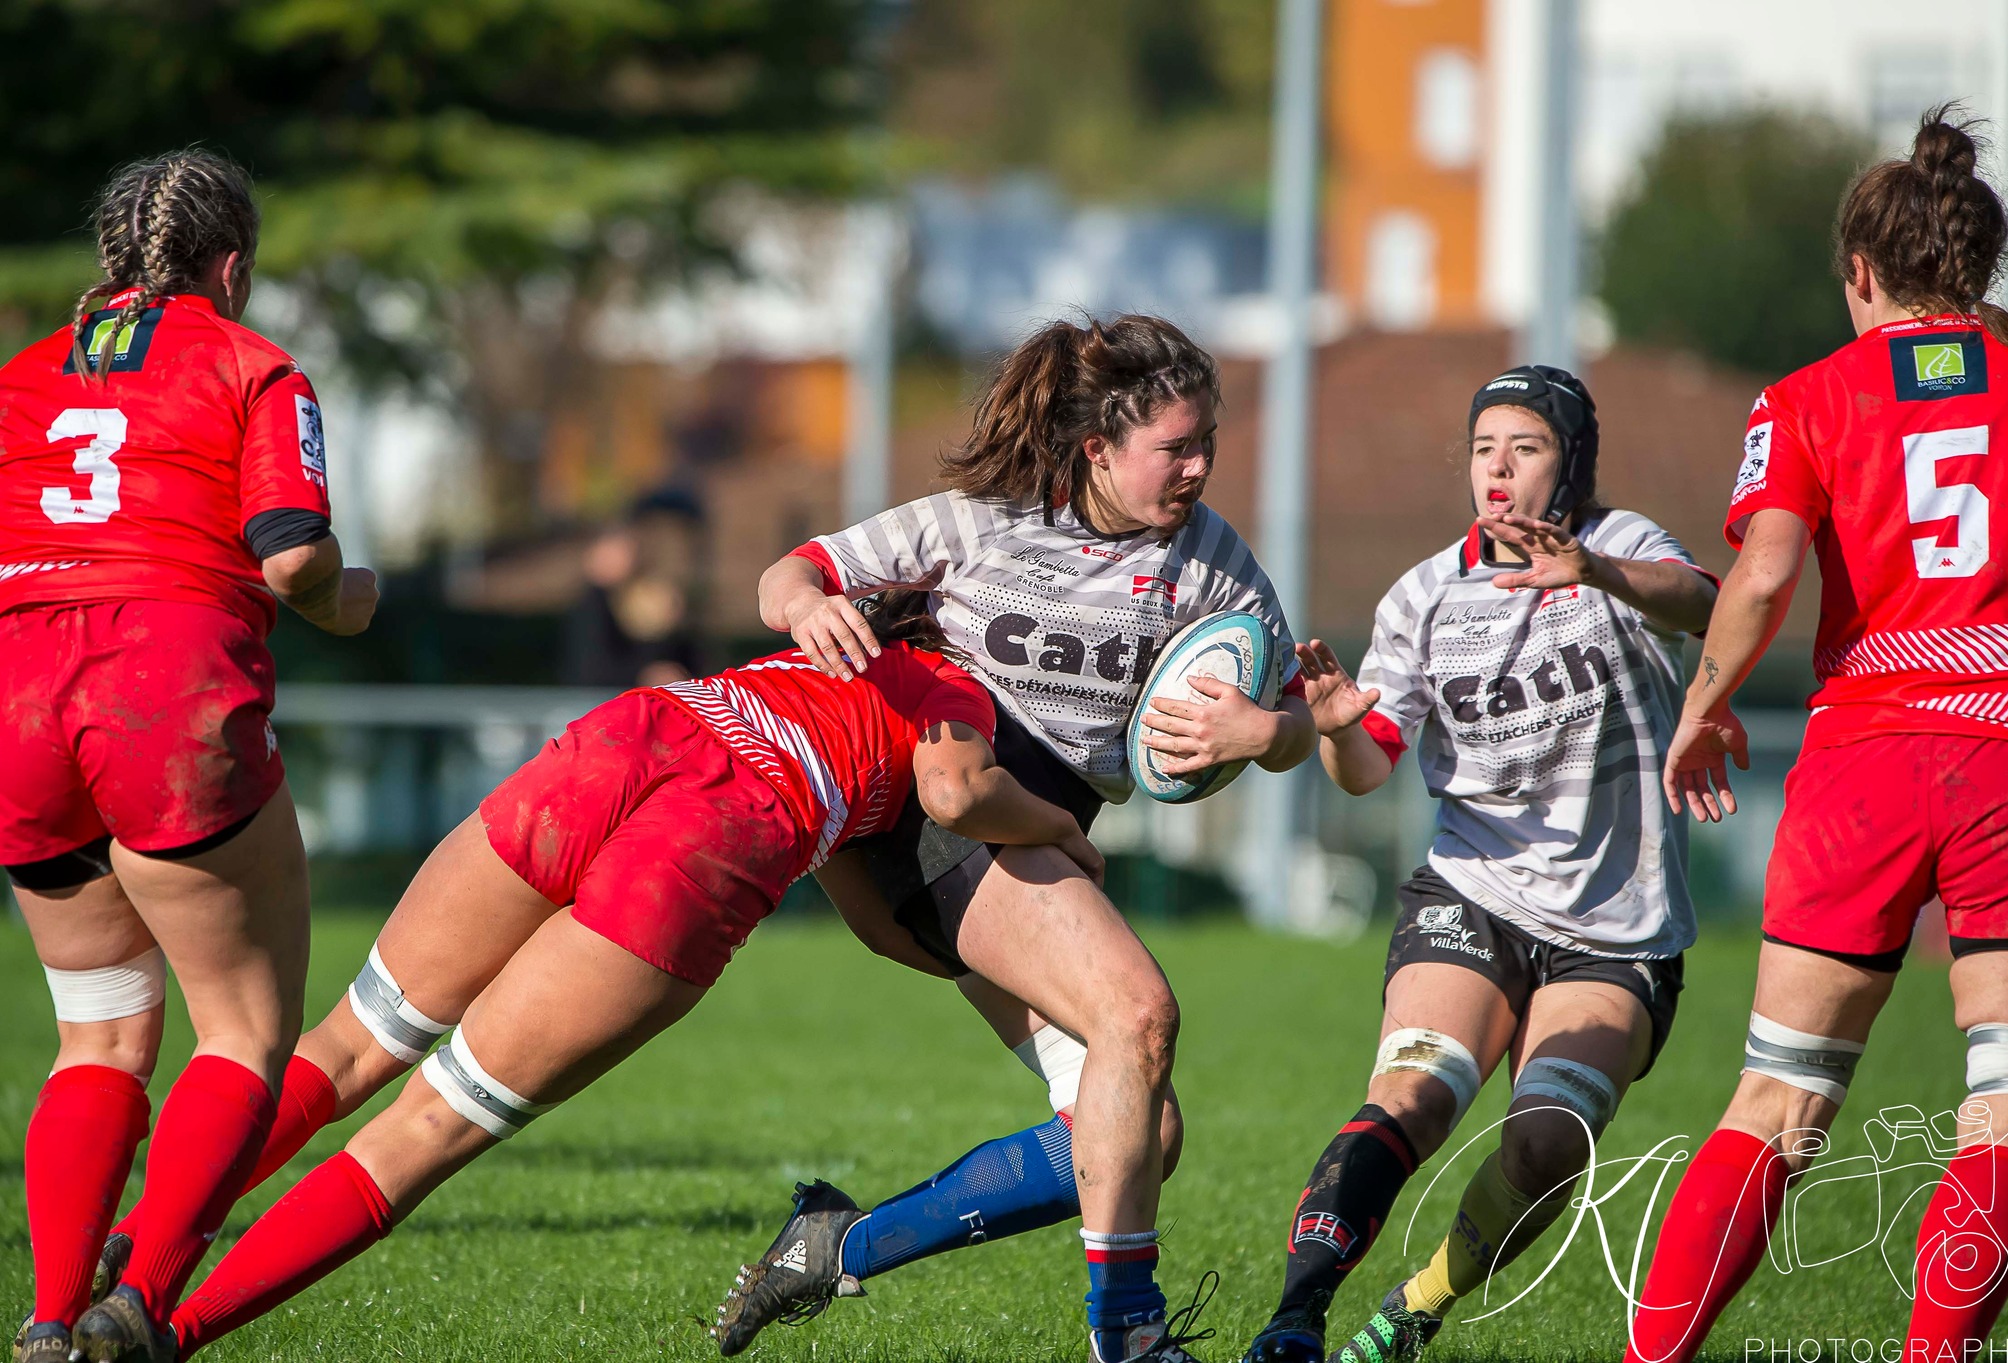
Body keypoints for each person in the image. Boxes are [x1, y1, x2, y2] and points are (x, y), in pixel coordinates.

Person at [148, 598, 1102, 1358]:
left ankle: (132, 1271)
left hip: (637, 735)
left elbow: (867, 915)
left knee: (352, 1042)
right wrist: (1057, 828)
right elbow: (960, 791)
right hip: (726, 822)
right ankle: (166, 1336)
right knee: (426, 1129)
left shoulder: (837, 629)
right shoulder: (955, 687)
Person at [721, 314, 1316, 1363]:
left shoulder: (1214, 564)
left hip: (1019, 850)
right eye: (1175, 447)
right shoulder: (982, 520)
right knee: (1138, 1013)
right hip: (937, 819)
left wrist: (1267, 731)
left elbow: (1295, 714)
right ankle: (1128, 1340)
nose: (1198, 467)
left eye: (1206, 442)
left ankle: (835, 1243)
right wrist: (807, 604)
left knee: (1137, 1129)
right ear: (1097, 449)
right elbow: (788, 575)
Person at [1628, 107, 2008, 1363]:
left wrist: (1700, 710)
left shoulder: (1808, 394)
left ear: (1859, 273)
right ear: (1974, 266)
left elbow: (1759, 576)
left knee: (1778, 1093)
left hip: (1862, 756)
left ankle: (1653, 1355)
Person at [1237, 366, 1719, 1363]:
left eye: (1524, 447)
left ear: (1571, 462)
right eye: (1480, 448)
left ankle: (1415, 1305)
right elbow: (1368, 765)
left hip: (1614, 932)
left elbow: (1703, 602)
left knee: (1544, 1144)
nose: (1496, 469)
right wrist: (1331, 730)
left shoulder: (1622, 548)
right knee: (1411, 1094)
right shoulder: (1420, 594)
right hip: (1472, 892)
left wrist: (1595, 575)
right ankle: (1291, 1322)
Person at [0, 150, 379, 1363]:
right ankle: (138, 1302)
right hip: (160, 691)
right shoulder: (247, 360)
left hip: (15, 699)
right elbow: (289, 554)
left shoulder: (17, 380)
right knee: (243, 1032)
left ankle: (51, 1317)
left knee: (99, 1032)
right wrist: (349, 599)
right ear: (231, 265)